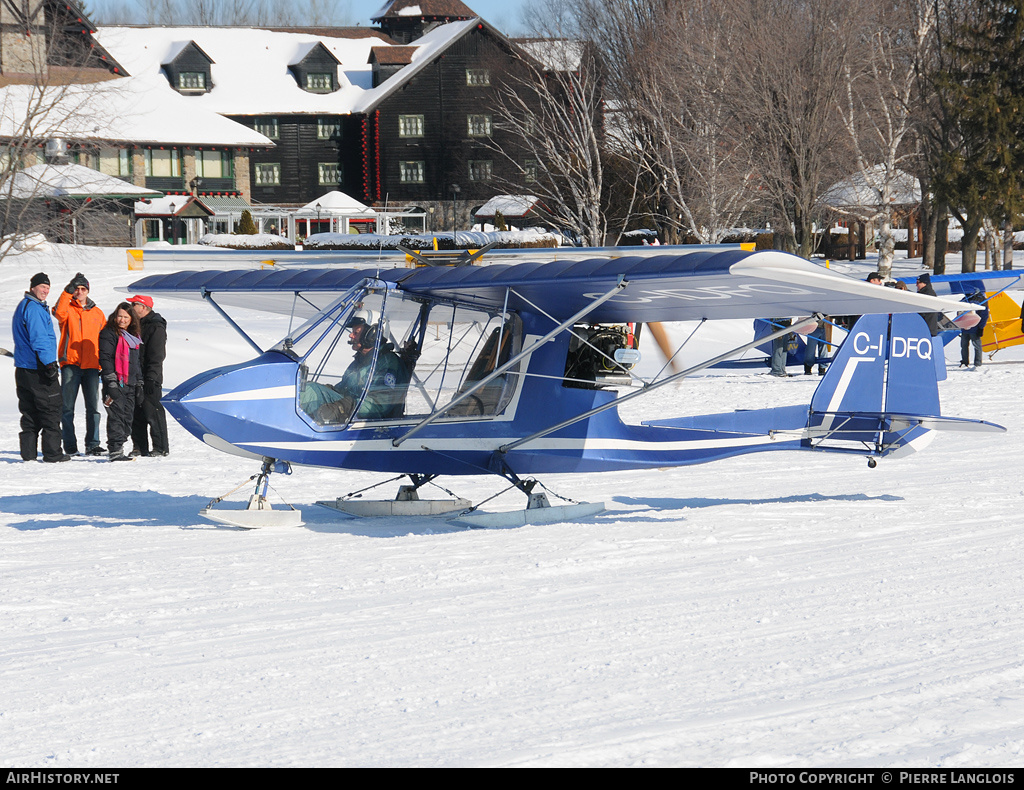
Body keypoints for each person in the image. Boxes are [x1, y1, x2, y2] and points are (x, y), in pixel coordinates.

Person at [301, 312, 410, 423]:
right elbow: (343, 390)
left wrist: (344, 406)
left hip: (369, 423)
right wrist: (328, 390)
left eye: (355, 333)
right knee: (308, 389)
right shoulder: (360, 361)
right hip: (349, 414)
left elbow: (378, 406)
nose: (351, 335)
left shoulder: (388, 364)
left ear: (372, 335)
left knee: (309, 392)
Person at [12, 273, 68, 462]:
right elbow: (40, 339)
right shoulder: (34, 308)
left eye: (48, 288)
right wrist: (49, 364)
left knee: (29, 411)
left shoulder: (24, 305)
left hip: (23, 368)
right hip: (39, 368)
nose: (45, 291)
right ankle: (52, 453)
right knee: (51, 408)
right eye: (42, 287)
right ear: (33, 287)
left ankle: (28, 453)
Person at [52, 272, 106, 456]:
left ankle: (93, 444)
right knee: (67, 408)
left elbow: (105, 339)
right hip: (71, 364)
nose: (80, 291)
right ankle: (70, 446)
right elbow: (58, 312)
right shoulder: (67, 309)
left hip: (92, 366)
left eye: (83, 289)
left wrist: (104, 362)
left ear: (88, 290)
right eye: (77, 289)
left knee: (93, 408)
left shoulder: (98, 313)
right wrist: (67, 291)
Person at [99, 303, 143, 462]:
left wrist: (139, 383)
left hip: (130, 383)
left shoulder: (133, 337)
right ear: (115, 316)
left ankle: (120, 444)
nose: (122, 320)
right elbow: (105, 358)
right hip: (115, 382)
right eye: (120, 316)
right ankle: (115, 450)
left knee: (127, 417)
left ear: (131, 319)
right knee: (116, 417)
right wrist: (111, 382)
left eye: (126, 317)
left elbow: (136, 362)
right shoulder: (108, 333)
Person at [128, 295, 169, 457]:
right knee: (136, 413)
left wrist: (151, 377)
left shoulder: (155, 327)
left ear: (143, 307)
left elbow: (156, 355)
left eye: (134, 304)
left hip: (150, 377)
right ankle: (139, 446)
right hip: (135, 376)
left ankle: (160, 447)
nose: (131, 307)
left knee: (153, 412)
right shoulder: (136, 325)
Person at [960, 291, 989, 369]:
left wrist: (981, 327)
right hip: (965, 328)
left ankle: (978, 363)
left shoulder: (981, 300)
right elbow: (959, 313)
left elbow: (984, 315)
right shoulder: (964, 299)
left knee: (977, 346)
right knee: (964, 346)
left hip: (975, 328)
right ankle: (964, 361)